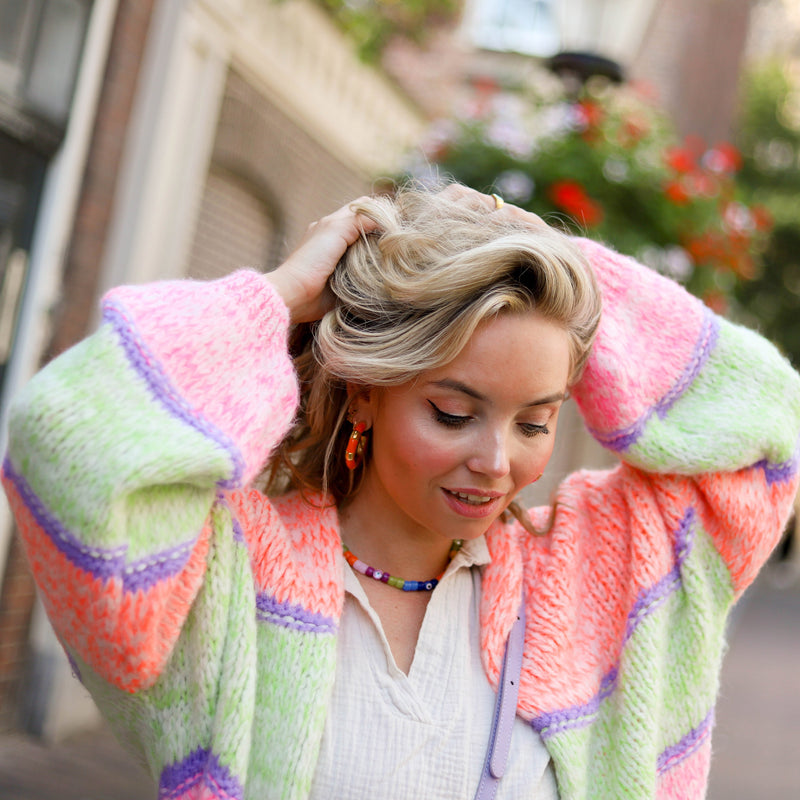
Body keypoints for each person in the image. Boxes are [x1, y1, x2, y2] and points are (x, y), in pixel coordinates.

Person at [2, 182, 799, 800]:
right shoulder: (227, 579)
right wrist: (280, 295)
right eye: (454, 413)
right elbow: (70, 443)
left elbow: (768, 430)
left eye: (535, 421)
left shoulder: (598, 575)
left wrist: (558, 257)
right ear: (367, 394)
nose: (496, 460)